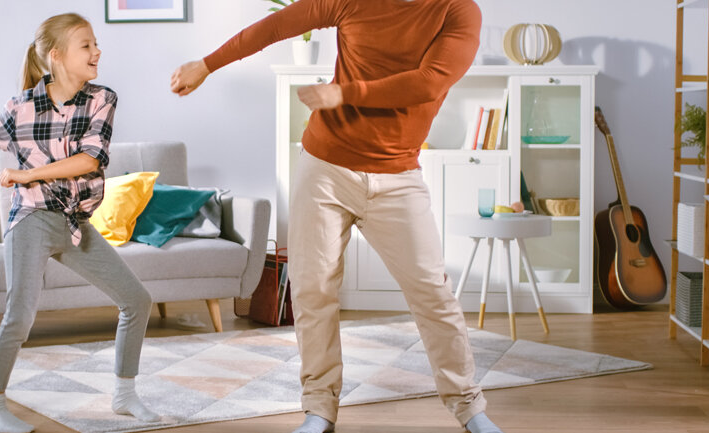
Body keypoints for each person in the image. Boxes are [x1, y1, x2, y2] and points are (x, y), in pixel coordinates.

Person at [171, 1, 502, 433]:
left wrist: (346, 93)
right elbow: (277, 25)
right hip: (324, 166)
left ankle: (469, 408)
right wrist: (207, 64)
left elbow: (429, 83)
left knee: (432, 294)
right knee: (313, 289)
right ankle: (319, 410)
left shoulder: (457, 11)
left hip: (397, 176)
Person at [0, 13, 159, 433]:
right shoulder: (21, 107)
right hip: (30, 219)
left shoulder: (102, 98)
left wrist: (25, 174)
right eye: (87, 45)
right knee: (20, 315)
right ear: (57, 56)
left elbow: (89, 159)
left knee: (136, 300)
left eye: (96, 43)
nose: (97, 51)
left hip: (73, 222)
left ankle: (124, 394)